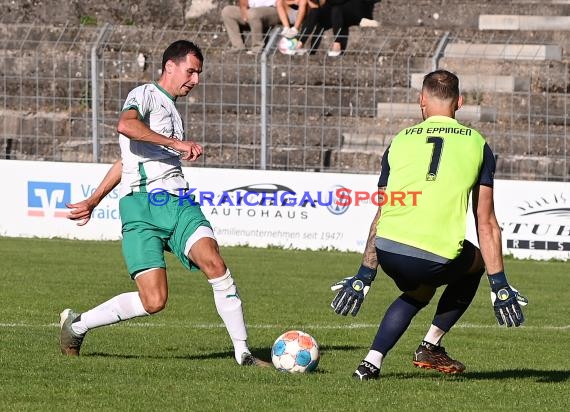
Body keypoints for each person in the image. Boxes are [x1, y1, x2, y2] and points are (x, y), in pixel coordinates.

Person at [60, 40, 269, 368]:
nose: (196, 80)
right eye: (191, 71)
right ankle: (77, 325)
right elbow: (126, 126)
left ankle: (243, 353)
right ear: (169, 67)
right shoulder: (144, 94)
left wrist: (95, 198)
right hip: (142, 208)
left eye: (199, 73)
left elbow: (125, 160)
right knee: (154, 301)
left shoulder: (171, 108)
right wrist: (176, 143)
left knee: (215, 264)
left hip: (179, 204)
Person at [330, 70, 528, 380]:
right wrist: (499, 284)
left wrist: (365, 274)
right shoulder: (477, 144)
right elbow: (485, 222)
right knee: (473, 264)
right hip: (435, 255)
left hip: (388, 250)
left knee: (419, 292)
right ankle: (431, 345)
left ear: (421, 101)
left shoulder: (398, 142)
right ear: (459, 103)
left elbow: (382, 212)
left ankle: (371, 362)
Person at [299, 0, 376, 56]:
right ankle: (301, 45)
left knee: (337, 10)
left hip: (353, 11)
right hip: (335, 10)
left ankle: (337, 46)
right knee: (315, 12)